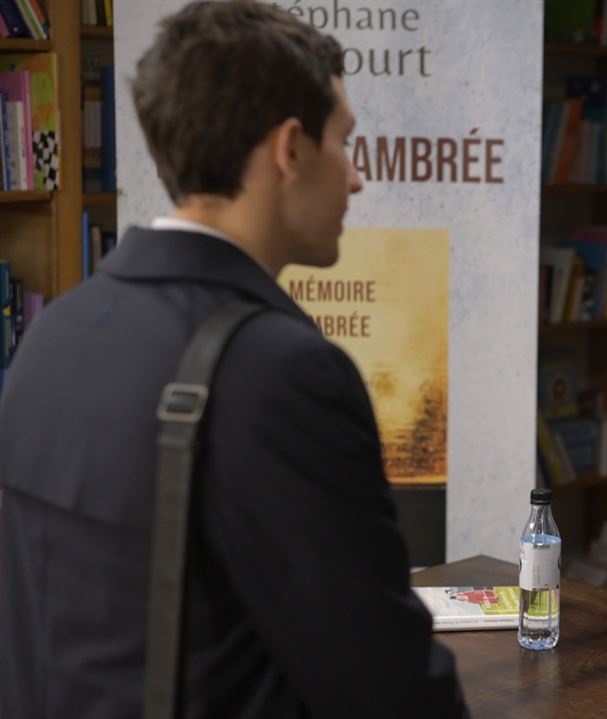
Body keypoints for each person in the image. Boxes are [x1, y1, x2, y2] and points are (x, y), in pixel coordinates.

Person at [0, 2, 468, 717]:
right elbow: (385, 687)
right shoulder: (282, 372)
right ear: (289, 149)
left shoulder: (52, 333)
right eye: (344, 141)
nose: (356, 178)